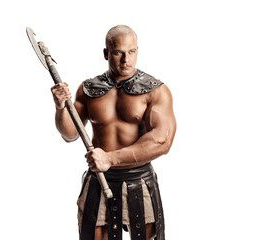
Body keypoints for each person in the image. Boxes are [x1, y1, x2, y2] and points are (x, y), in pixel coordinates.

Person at [50, 25, 176, 240]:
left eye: (132, 52)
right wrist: (61, 107)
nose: (126, 59)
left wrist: (110, 158)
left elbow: (162, 141)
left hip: (138, 180)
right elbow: (70, 134)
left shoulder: (155, 90)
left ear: (137, 51)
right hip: (99, 180)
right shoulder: (88, 89)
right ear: (106, 53)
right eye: (118, 52)